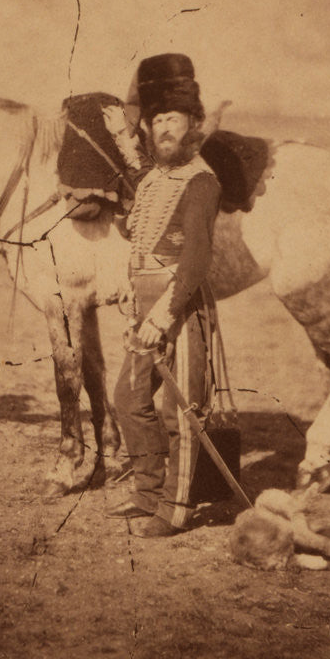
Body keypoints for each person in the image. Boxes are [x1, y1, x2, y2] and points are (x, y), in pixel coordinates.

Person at [102, 54, 222, 538]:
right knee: (128, 398)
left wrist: (164, 313)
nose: (165, 128)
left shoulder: (202, 181)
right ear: (149, 127)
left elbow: (195, 260)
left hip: (179, 308)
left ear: (191, 123)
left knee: (181, 412)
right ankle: (148, 491)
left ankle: (177, 507)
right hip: (144, 307)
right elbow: (136, 234)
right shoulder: (152, 180)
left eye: (174, 119)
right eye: (157, 120)